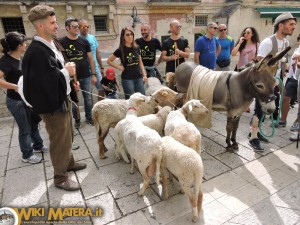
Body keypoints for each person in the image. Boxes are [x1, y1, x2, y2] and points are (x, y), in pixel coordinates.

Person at [22, 5, 86, 191]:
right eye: (52, 23)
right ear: (40, 26)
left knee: (68, 136)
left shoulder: (51, 45)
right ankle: (60, 178)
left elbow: (55, 71)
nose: (57, 26)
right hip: (52, 106)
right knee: (59, 140)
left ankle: (69, 163)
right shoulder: (36, 52)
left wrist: (69, 81)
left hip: (62, 98)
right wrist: (66, 72)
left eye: (56, 21)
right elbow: (42, 82)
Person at [248, 12, 297, 151]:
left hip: (274, 82)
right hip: (263, 84)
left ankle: (254, 132)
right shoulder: (268, 42)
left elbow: (282, 64)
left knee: (265, 111)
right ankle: (253, 138)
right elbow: (258, 66)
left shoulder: (286, 42)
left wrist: (280, 81)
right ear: (281, 25)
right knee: (259, 110)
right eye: (291, 24)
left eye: (294, 24)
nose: (294, 27)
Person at [0, 32, 45, 164]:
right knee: (24, 128)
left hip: (26, 98)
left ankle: (38, 146)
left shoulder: (20, 58)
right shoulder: (5, 61)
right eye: (24, 43)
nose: (26, 44)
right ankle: (27, 154)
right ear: (19, 46)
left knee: (34, 123)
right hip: (16, 101)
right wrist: (15, 86)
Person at [60, 18, 97, 128]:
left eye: (77, 26)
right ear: (67, 28)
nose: (77, 28)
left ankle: (89, 117)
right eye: (74, 27)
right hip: (71, 77)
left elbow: (91, 58)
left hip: (85, 75)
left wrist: (94, 74)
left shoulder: (84, 41)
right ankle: (77, 119)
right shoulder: (62, 42)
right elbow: (61, 60)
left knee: (88, 98)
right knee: (74, 100)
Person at [107, 27, 147, 99]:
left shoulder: (137, 48)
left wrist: (144, 74)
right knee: (130, 99)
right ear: (123, 37)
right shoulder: (120, 49)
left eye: (131, 34)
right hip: (127, 79)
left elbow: (140, 62)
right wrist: (119, 67)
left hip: (138, 77)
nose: (130, 36)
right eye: (127, 35)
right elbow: (109, 60)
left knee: (142, 98)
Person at [275, 34, 300, 130]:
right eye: (298, 40)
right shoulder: (297, 49)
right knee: (285, 98)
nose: (298, 42)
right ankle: (283, 120)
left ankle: (297, 123)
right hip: (292, 78)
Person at [78, 19, 105, 101]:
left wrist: (102, 67)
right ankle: (92, 111)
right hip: (84, 71)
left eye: (87, 26)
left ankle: (99, 108)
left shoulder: (92, 37)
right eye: (83, 26)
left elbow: (97, 54)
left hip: (95, 69)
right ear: (79, 27)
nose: (85, 28)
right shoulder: (77, 39)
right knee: (89, 94)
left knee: (102, 89)